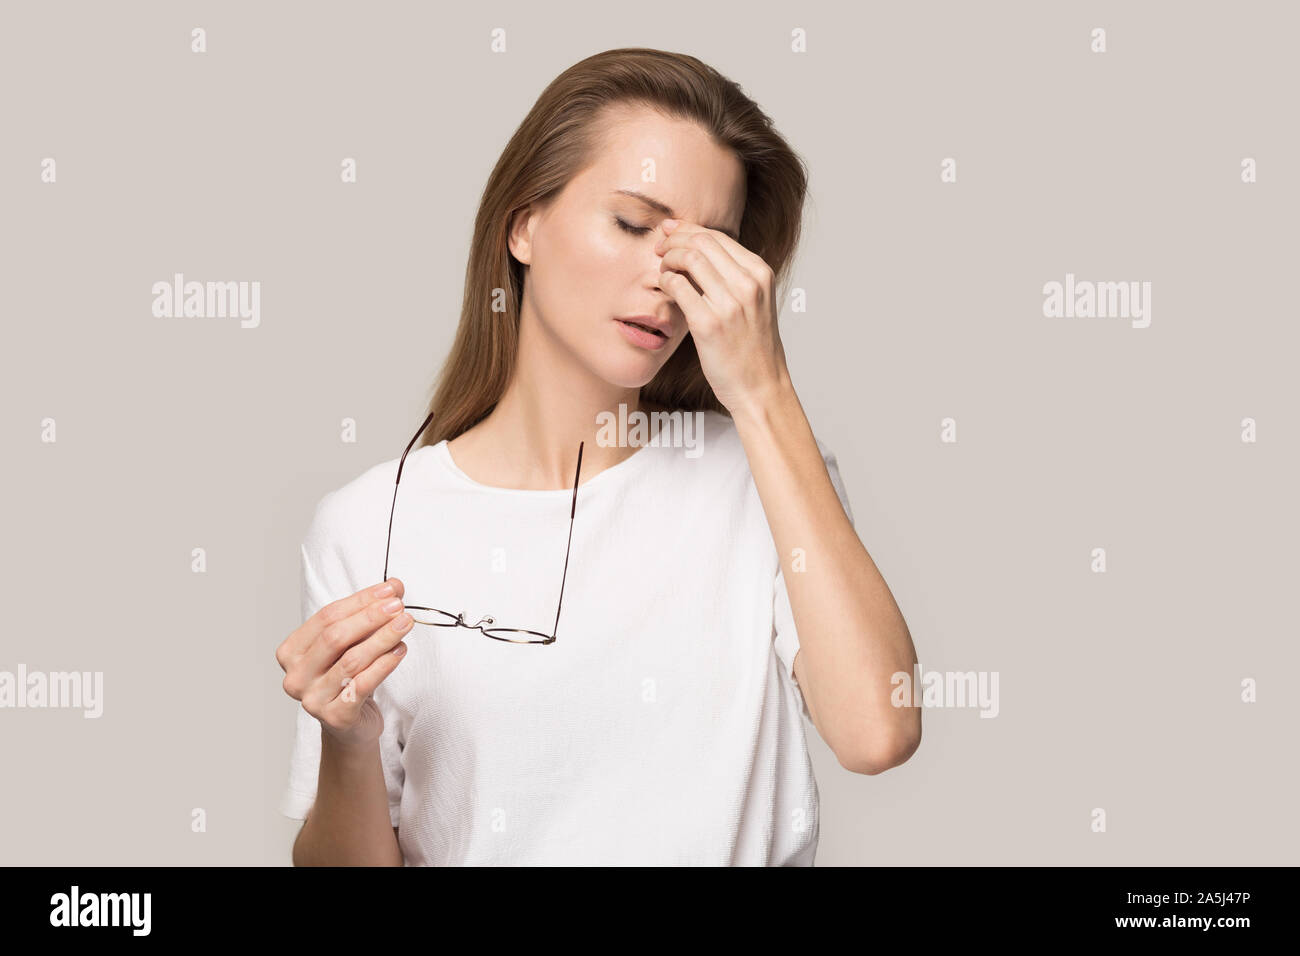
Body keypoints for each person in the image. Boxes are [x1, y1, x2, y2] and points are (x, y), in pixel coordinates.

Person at [275, 47, 920, 866]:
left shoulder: (763, 476)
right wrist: (347, 742)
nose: (667, 277)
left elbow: (879, 730)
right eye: (632, 223)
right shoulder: (367, 525)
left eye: (706, 249)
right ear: (524, 225)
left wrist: (764, 391)